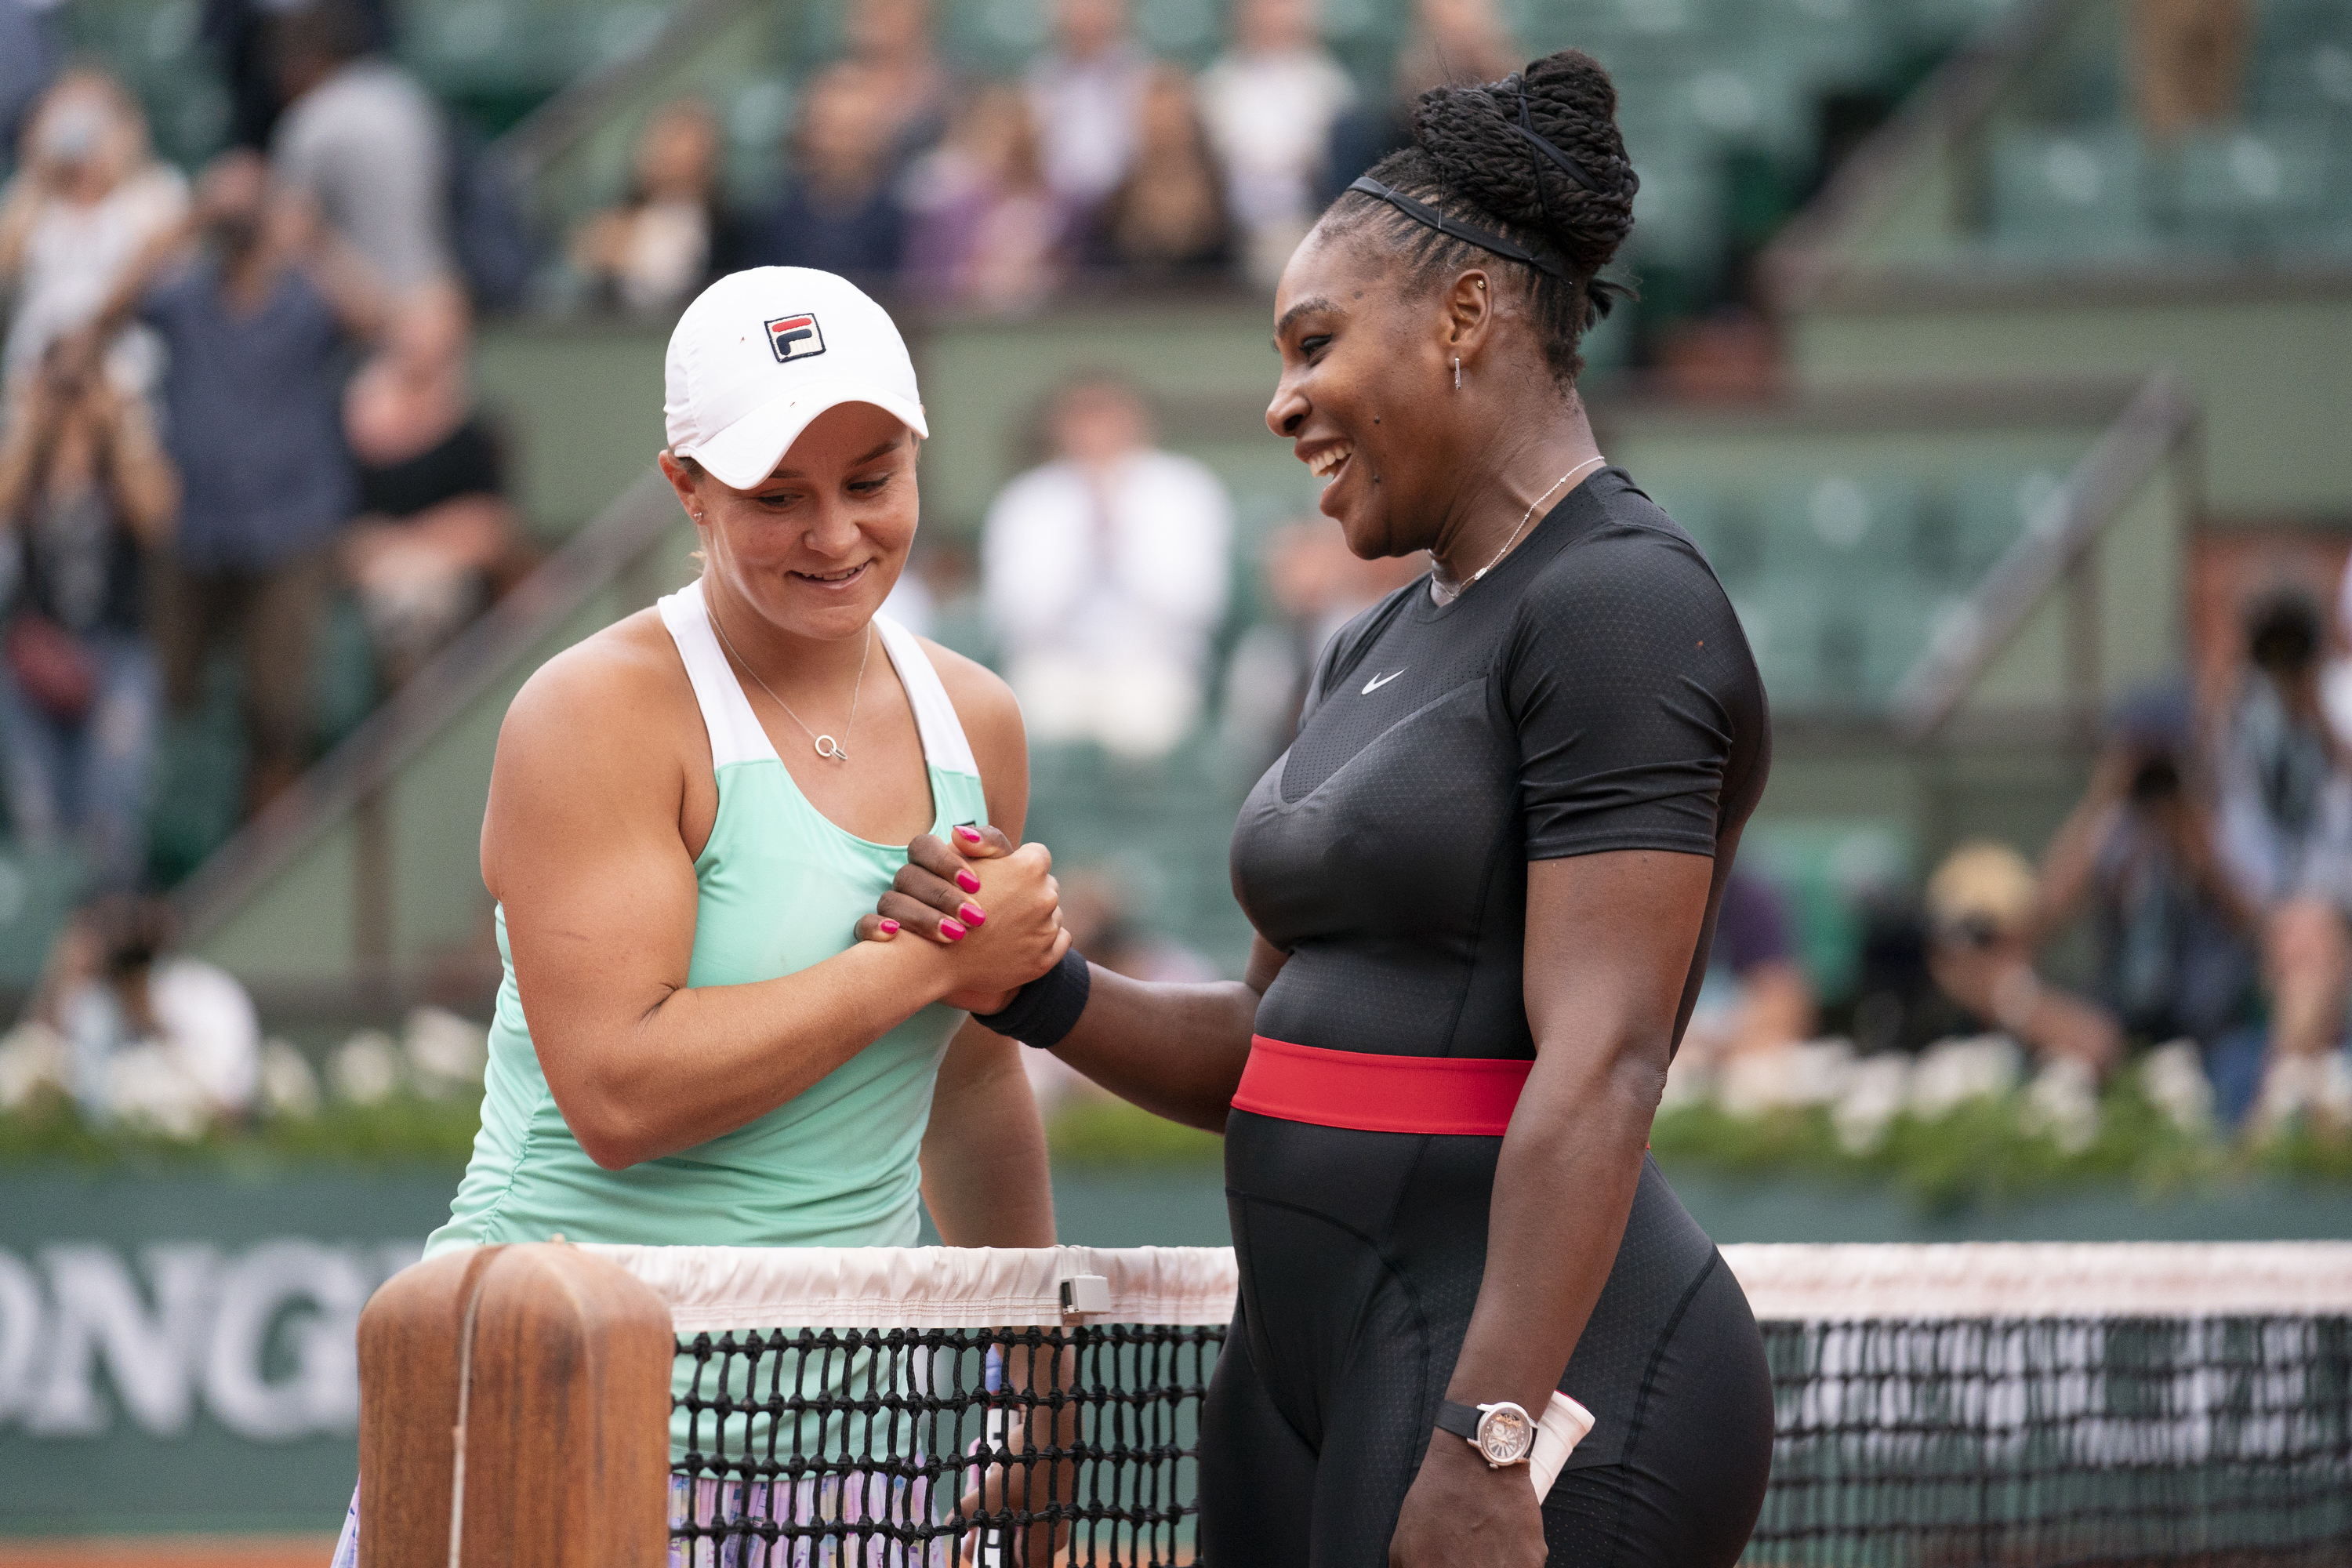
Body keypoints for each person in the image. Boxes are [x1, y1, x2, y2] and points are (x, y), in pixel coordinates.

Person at [873, 50, 1774, 1566]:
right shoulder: (1373, 637)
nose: (1283, 401)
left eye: (1313, 341)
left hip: (1528, 1387)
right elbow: (1272, 1049)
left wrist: (1493, 1436)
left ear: (1467, 319)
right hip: (1306, 1370)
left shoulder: (1621, 604)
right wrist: (1039, 987)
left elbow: (1606, 1060)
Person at [327, 266, 1074, 1566]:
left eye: (872, 479)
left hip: (851, 1451)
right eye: (777, 497)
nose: (836, 534)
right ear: (688, 490)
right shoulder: (595, 712)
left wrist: (1047, 1380)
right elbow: (618, 1094)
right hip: (543, 1412)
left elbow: (968, 1083)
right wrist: (919, 968)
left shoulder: (979, 720)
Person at [82, 149, 387, 814]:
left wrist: (310, 237)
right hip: (197, 525)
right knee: (174, 694)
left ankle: (267, 841)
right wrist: (182, 227)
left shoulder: (307, 295)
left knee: (278, 708)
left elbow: (377, 321)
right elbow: (103, 318)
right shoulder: (184, 296)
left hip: (290, 525)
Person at [0, 343, 179, 887]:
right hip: (36, 659)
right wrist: (33, 424)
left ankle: (107, 947)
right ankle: (54, 954)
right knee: (40, 820)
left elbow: (157, 520)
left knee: (111, 821)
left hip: (116, 652)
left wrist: (118, 423)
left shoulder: (125, 460)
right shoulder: (29, 464)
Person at [980, 374, 1231, 757]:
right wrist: (1084, 541)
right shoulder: (1027, 499)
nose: (1095, 431)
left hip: (1153, 662)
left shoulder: (1184, 489)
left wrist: (1119, 540)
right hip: (1056, 663)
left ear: (1136, 419)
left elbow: (1199, 604)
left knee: (1145, 723)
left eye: (1106, 415)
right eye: (1081, 418)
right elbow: (1013, 615)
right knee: (1037, 716)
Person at [2213, 590, 2352, 1128]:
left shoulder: (2340, 697)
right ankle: (2292, 1105)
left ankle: (2274, 1113)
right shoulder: (2243, 714)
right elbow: (2237, 839)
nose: (2285, 663)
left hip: (2334, 912)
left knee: (2311, 935)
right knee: (2303, 939)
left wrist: (2314, 714)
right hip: (2273, 923)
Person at [342, 281, 521, 687]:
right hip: (375, 584)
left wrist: (411, 543)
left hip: (449, 584)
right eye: (414, 331)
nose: (423, 346)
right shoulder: (352, 426)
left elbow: (491, 529)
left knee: (422, 604)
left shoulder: (472, 432)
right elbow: (348, 538)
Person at [0, 70, 190, 392]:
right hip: (37, 366)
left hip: (119, 366)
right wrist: (39, 163)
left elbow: (168, 263)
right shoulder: (31, 201)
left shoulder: (154, 192)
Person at [31, 893, 262, 1134]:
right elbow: (46, 1058)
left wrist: (156, 1027)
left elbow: (230, 1105)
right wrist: (67, 975)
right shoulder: (92, 1005)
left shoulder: (207, 994)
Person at [269, 0, 452, 294]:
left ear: (307, 57)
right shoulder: (405, 96)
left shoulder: (312, 119)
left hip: (361, 312)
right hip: (431, 296)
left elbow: (288, 234)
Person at [1199, 0, 1356, 287]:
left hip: (1313, 224)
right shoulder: (1216, 83)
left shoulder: (1329, 83)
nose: (1272, 15)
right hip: (1231, 229)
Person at [899, 84, 1070, 312]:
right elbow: (924, 286)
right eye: (997, 137)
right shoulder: (947, 212)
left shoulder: (1066, 209)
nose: (1010, 152)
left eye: (1021, 143)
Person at [568, 98, 747, 314]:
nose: (673, 155)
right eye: (666, 140)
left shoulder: (733, 234)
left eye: (686, 142)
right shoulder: (612, 226)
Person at [757, 64, 906, 284]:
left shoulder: (900, 219)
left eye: (854, 131)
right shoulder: (771, 214)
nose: (841, 145)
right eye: (831, 129)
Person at [1089, 67, 1235, 281]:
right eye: (1154, 122)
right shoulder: (1118, 200)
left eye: (1171, 119)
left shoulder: (1219, 190)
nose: (1163, 131)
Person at [1025, 0, 1152, 215]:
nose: (1088, 16)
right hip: (1058, 207)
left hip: (1130, 208)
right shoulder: (1040, 81)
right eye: (1079, 7)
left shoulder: (1143, 77)